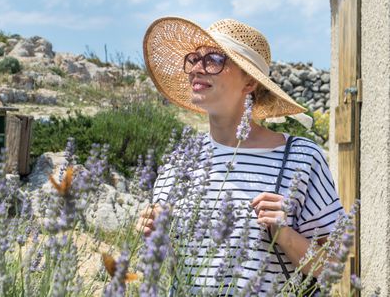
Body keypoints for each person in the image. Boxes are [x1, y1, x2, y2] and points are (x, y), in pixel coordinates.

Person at [136, 17, 344, 294]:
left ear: (249, 82)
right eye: (194, 59)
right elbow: (170, 267)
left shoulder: (300, 159)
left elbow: (334, 267)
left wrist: (284, 235)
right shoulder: (178, 162)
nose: (197, 68)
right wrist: (153, 239)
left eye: (213, 59)